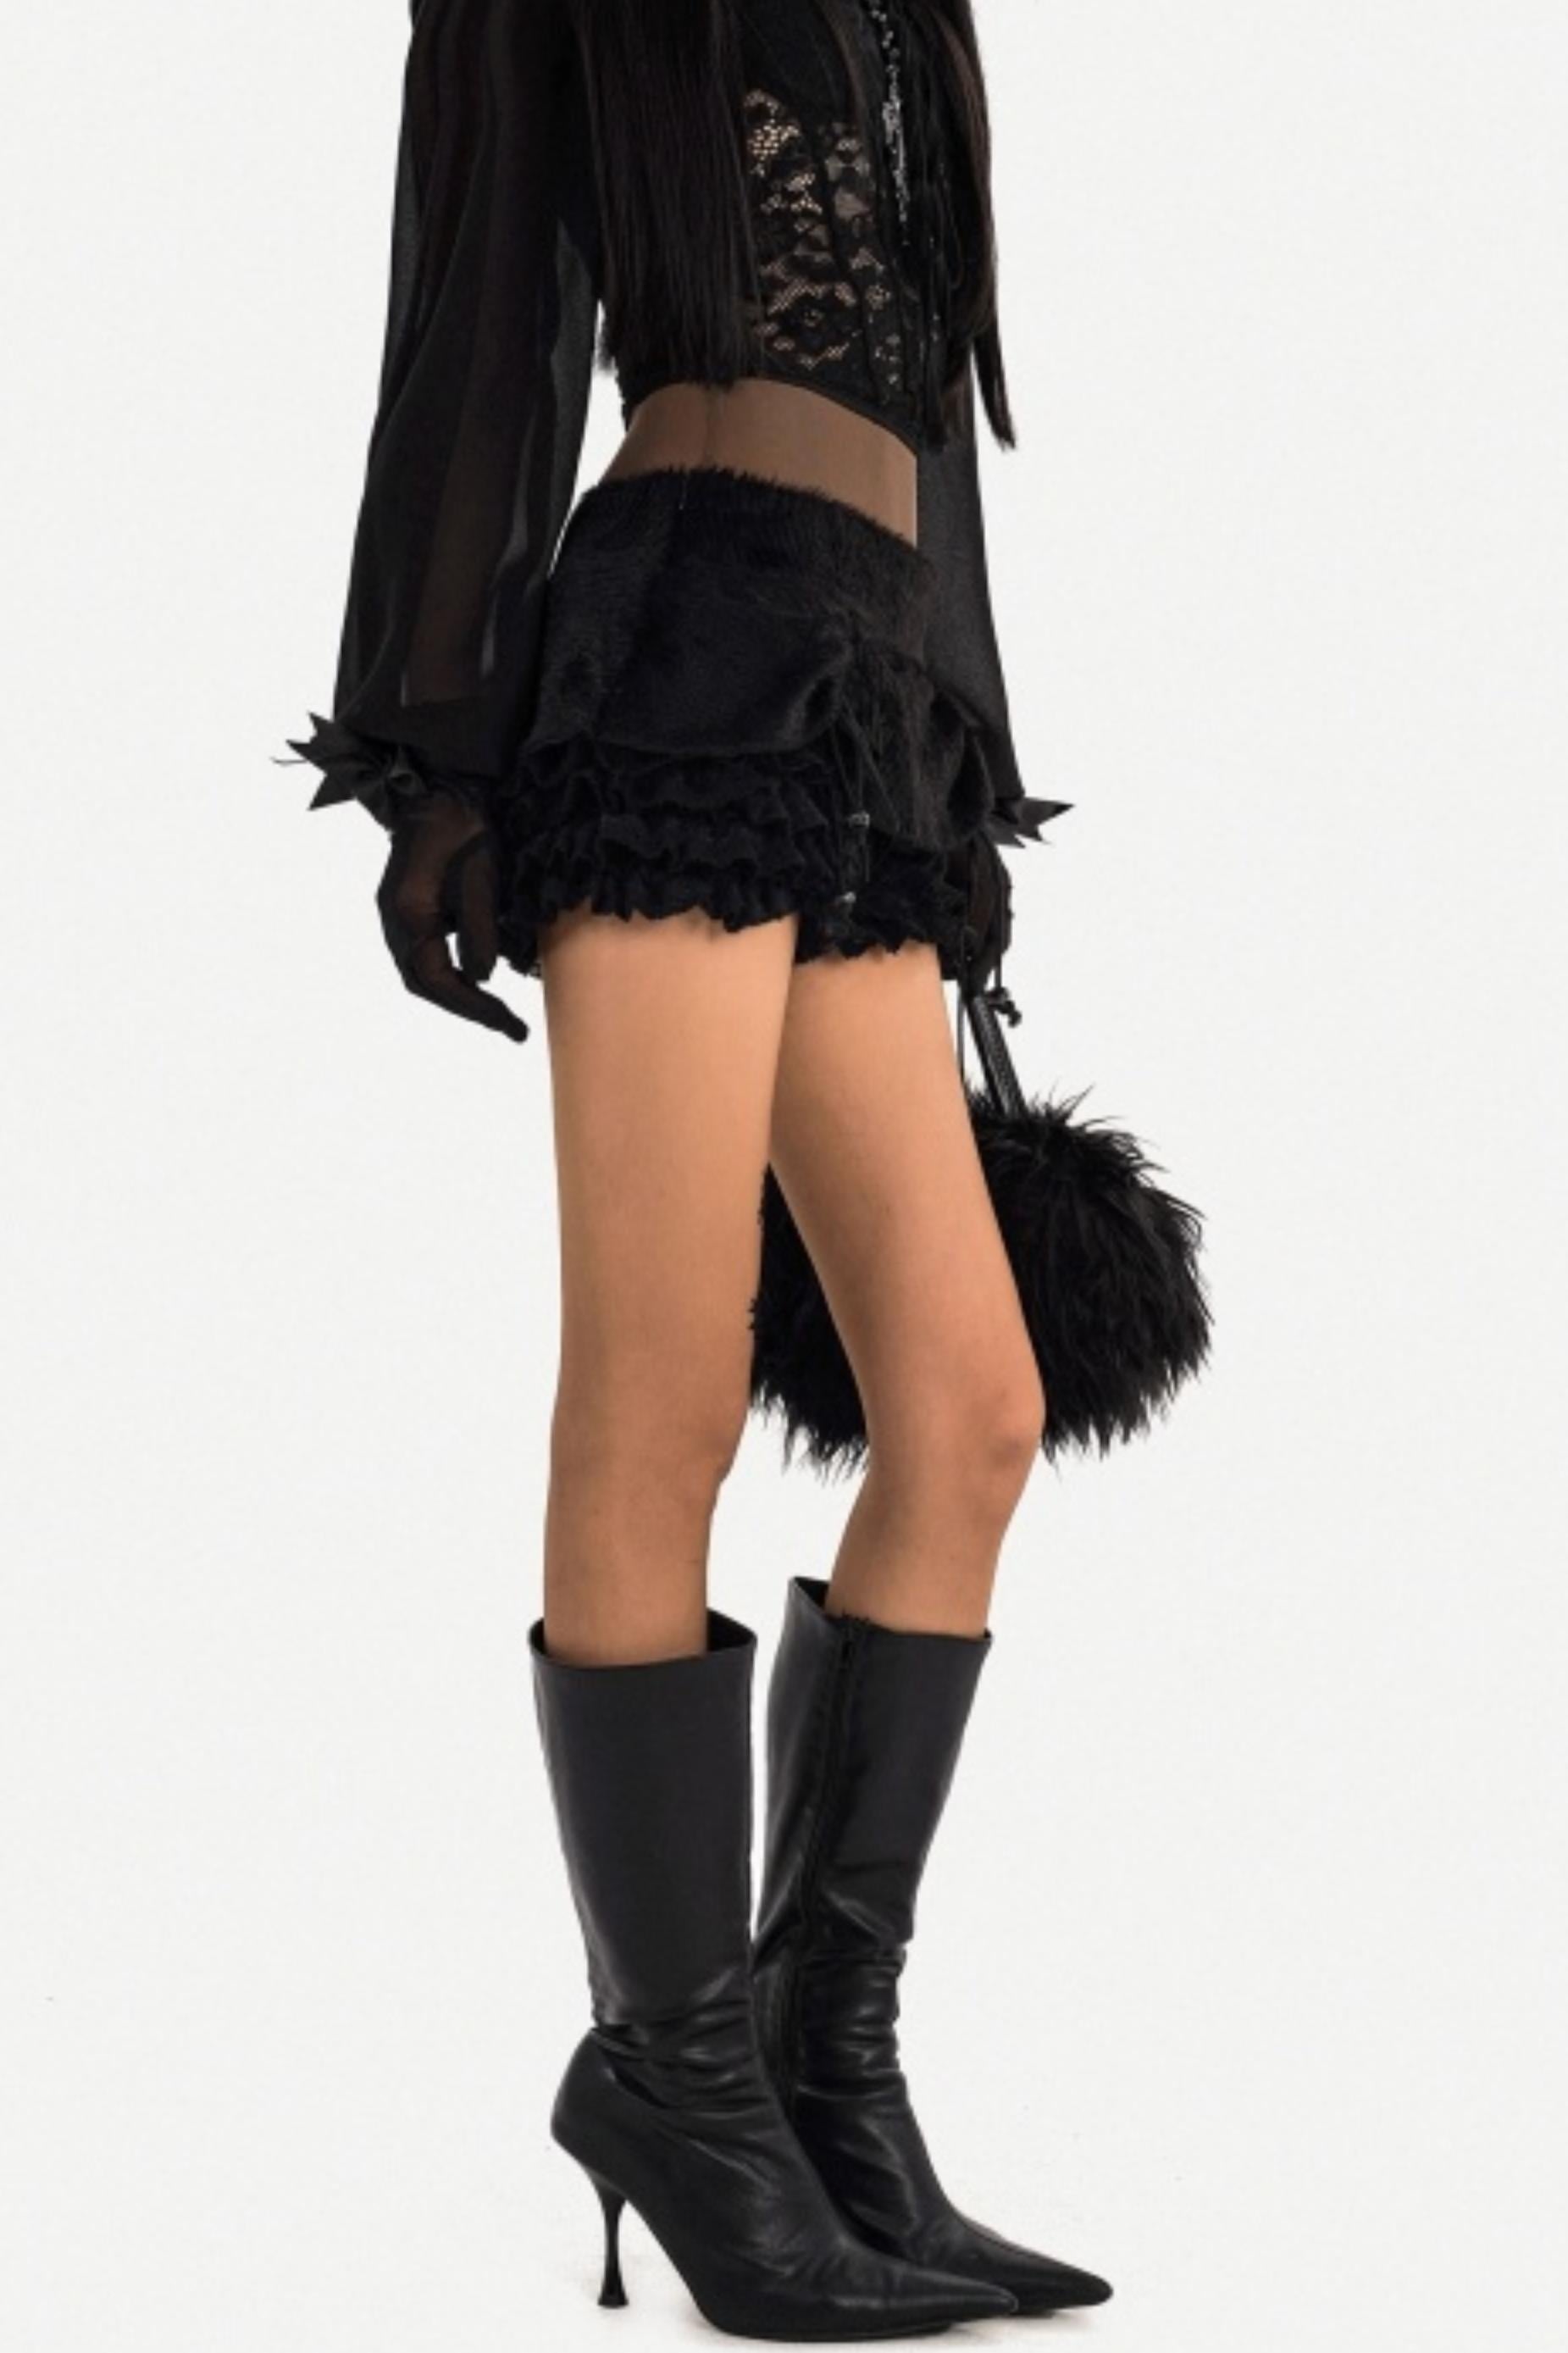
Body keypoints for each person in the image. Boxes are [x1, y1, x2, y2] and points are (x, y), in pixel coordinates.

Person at [283, 0, 1111, 2334]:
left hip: (860, 690)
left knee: (971, 1405)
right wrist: (436, 759)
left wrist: (954, 761)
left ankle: (823, 2070)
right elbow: (471, 321)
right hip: (671, 653)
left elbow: (919, 389)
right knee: (660, 1391)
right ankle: (676, 2082)